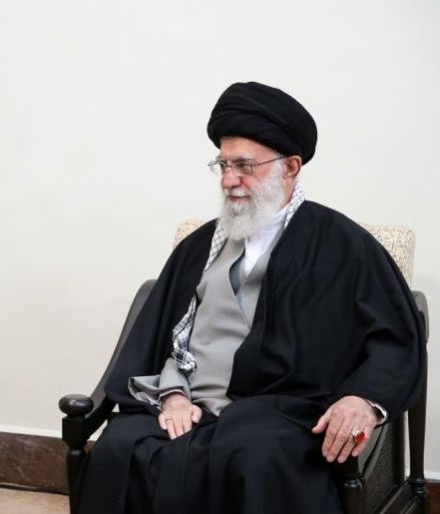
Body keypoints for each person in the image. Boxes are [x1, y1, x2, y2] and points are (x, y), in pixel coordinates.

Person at [77, 82, 425, 514]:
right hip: (192, 407)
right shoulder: (198, 247)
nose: (229, 180)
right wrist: (173, 396)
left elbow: (396, 340)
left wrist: (362, 400)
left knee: (253, 453)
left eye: (244, 166)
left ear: (290, 167)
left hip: (281, 415)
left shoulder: (345, 247)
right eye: (223, 165)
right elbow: (163, 340)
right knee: (121, 444)